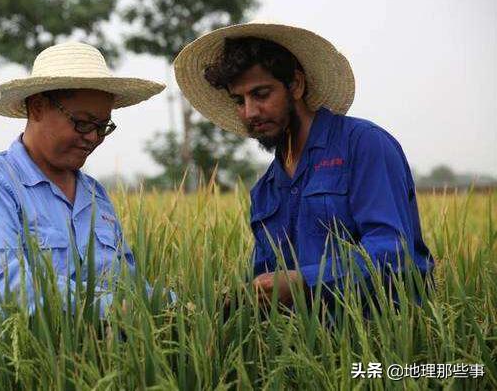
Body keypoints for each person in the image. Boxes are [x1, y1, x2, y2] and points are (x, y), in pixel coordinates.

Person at [0, 41, 164, 389]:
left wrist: (184, 307)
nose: (92, 138)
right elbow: (3, 285)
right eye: (81, 123)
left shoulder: (95, 196)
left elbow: (126, 285)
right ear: (38, 107)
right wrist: (114, 308)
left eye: (103, 126)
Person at [174, 21, 434, 310]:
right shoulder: (266, 190)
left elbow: (393, 250)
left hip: (382, 336)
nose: (250, 112)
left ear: (295, 85)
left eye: (261, 94)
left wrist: (305, 281)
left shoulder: (363, 145)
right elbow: (267, 283)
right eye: (239, 100)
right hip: (304, 346)